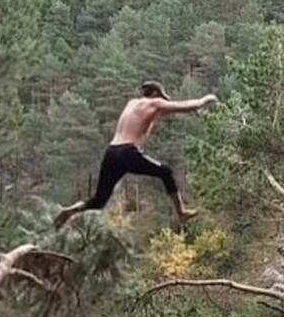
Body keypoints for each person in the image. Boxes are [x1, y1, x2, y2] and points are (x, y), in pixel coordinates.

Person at [54, 81, 218, 230]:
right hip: (128, 152)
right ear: (155, 94)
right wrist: (204, 101)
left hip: (111, 152)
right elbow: (185, 106)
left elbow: (153, 116)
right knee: (165, 172)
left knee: (98, 200)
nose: (163, 103)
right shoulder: (155, 102)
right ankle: (181, 212)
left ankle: (69, 211)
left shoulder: (131, 104)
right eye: (162, 98)